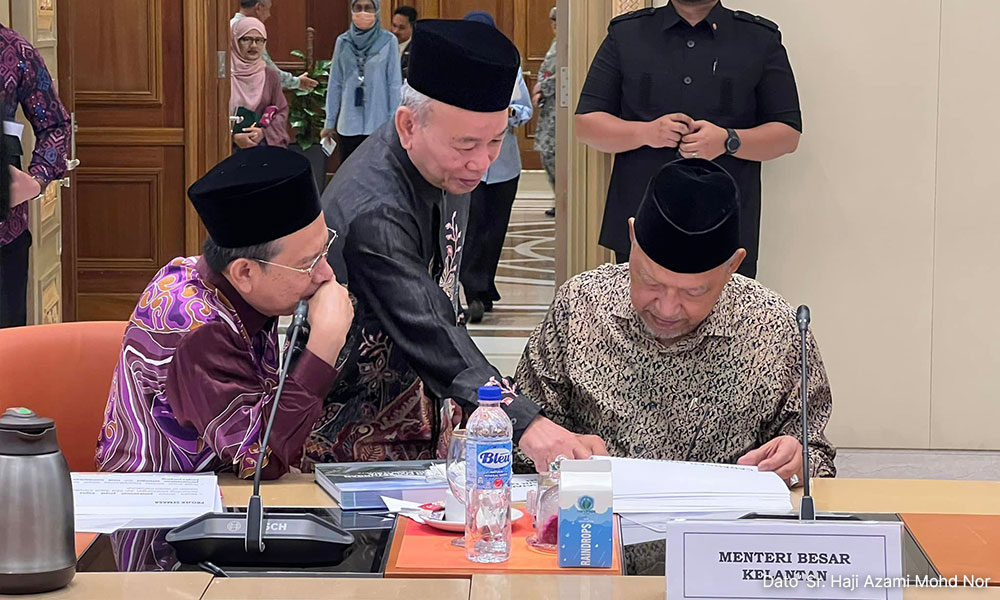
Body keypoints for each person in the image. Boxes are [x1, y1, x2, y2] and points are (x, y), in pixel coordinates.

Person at [516, 159, 835, 572]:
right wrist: (551, 447)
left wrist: (797, 460)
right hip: (590, 549)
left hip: (727, 560)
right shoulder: (580, 307)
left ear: (733, 264)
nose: (667, 308)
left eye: (693, 292)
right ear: (632, 238)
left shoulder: (776, 328)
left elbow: (817, 455)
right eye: (650, 281)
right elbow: (520, 442)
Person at [315, 19, 607, 468]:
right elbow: (428, 324)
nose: (482, 163)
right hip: (354, 436)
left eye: (495, 141)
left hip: (427, 417)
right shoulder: (375, 210)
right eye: (466, 144)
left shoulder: (445, 166)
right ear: (408, 125)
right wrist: (526, 423)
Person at [97, 147, 354, 480]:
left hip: (221, 489)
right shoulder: (196, 327)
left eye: (324, 251)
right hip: (159, 503)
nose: (326, 274)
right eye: (308, 263)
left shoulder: (224, 282)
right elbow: (261, 460)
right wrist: (324, 345)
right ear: (244, 272)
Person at [575, 0, 802, 277]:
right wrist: (646, 132)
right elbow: (586, 125)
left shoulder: (759, 38)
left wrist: (728, 140)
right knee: (640, 306)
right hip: (641, 223)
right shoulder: (627, 34)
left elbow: (787, 134)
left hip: (725, 227)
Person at [459, 11, 532, 324]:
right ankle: (472, 290)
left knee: (494, 228)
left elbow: (525, 108)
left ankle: (484, 287)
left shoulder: (508, 66)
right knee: (471, 226)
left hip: (503, 164)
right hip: (465, 162)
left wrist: (512, 112)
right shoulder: (456, 67)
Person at [0, 25, 70, 328]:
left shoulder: (14, 49)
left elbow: (55, 126)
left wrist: (37, 179)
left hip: (4, 236)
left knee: (6, 347)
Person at [320, 0, 401, 163]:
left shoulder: (388, 41)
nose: (363, 12)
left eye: (368, 8)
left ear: (376, 10)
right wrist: (329, 122)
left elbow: (394, 84)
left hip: (379, 123)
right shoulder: (343, 42)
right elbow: (335, 83)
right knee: (349, 171)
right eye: (358, 8)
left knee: (377, 172)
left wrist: (394, 123)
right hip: (349, 124)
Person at [231, 0, 318, 92]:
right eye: (268, 9)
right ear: (259, 7)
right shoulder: (250, 30)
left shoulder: (229, 25)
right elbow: (266, 69)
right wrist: (296, 82)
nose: (269, 15)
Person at [230, 17, 290, 150]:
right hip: (226, 150)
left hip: (261, 148)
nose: (253, 46)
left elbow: (281, 110)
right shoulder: (223, 75)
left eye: (259, 40)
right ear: (234, 40)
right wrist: (233, 137)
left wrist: (263, 133)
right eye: (246, 39)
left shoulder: (270, 75)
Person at [533, 7, 557, 218]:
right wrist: (540, 87)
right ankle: (559, 199)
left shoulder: (568, 46)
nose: (554, 25)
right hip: (549, 111)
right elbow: (545, 71)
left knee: (554, 157)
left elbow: (565, 74)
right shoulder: (555, 44)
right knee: (547, 158)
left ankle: (563, 201)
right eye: (552, 21)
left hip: (558, 114)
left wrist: (543, 87)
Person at [391, 6, 417, 80]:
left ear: (412, 28)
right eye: (394, 25)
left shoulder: (416, 51)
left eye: (401, 28)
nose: (395, 31)